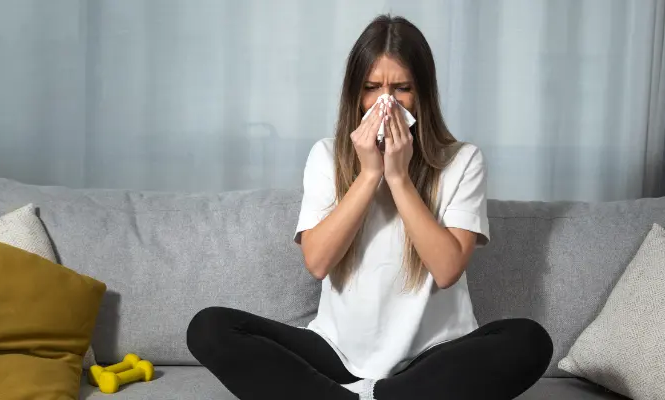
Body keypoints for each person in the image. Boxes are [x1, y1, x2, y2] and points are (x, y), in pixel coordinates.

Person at [187, 14, 552, 400]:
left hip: (431, 358)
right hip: (336, 354)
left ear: (423, 93)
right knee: (209, 328)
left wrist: (398, 178)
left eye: (402, 88)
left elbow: (446, 270)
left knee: (529, 340)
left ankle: (382, 396)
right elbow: (318, 262)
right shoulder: (327, 156)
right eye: (372, 88)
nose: (386, 102)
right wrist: (368, 175)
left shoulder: (462, 160)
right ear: (355, 95)